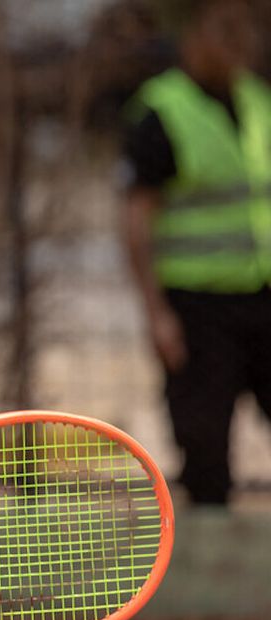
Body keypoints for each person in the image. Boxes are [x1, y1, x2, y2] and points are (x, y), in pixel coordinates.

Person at [120, 0, 271, 506]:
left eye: (247, 28)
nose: (240, 42)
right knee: (205, 448)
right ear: (193, 33)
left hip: (263, 292)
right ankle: (212, 570)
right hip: (197, 308)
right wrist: (157, 314)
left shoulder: (258, 100)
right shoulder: (162, 111)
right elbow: (136, 219)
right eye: (226, 29)